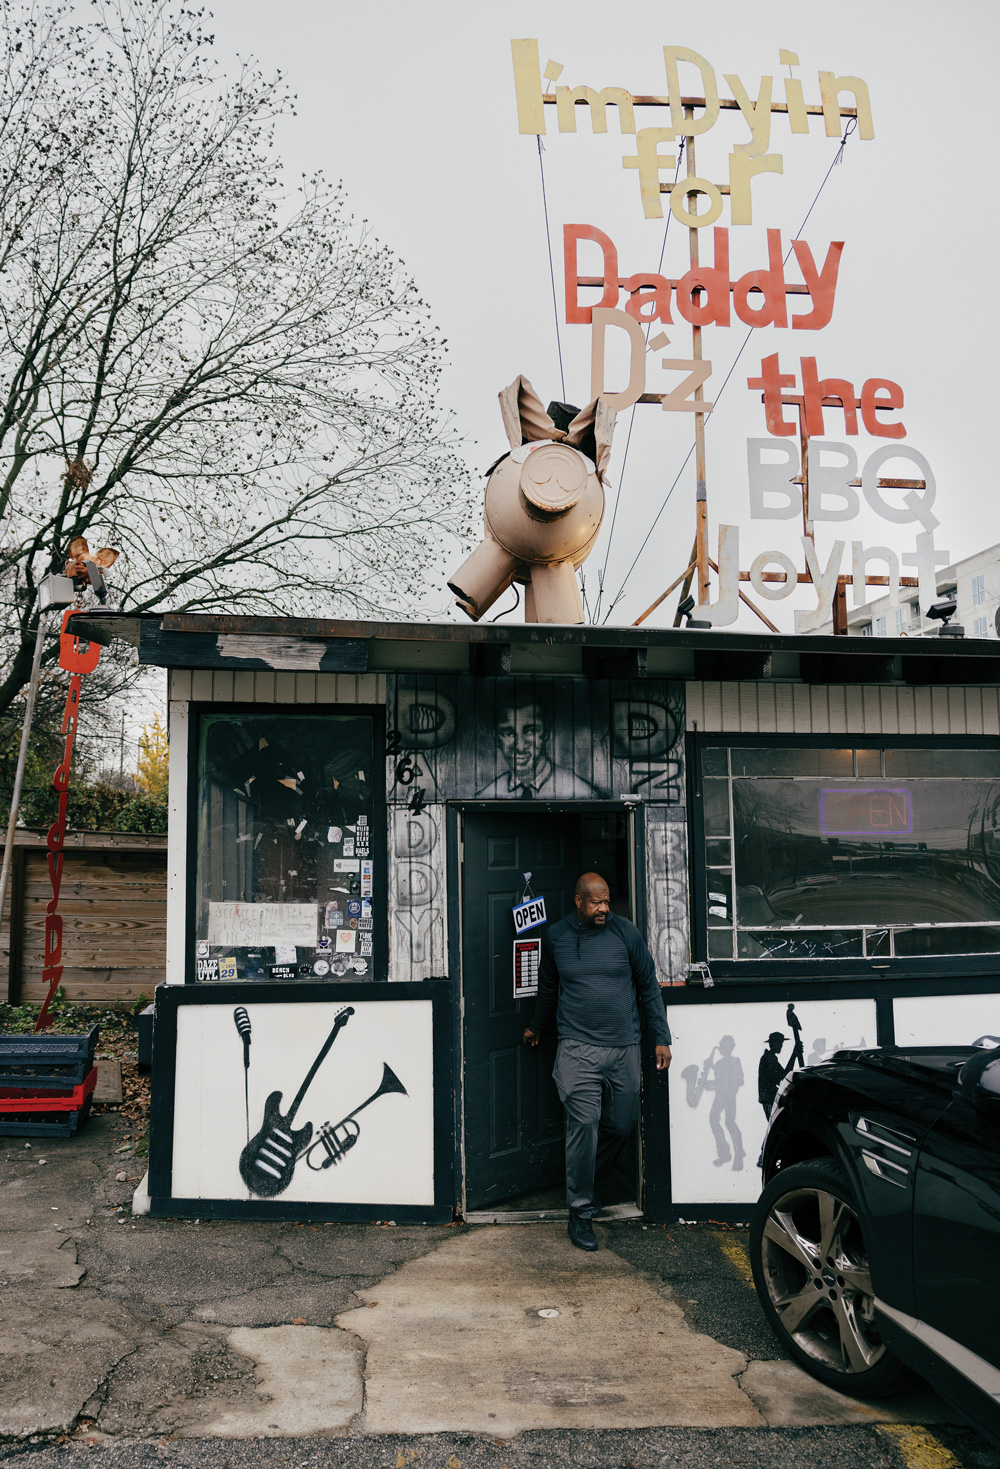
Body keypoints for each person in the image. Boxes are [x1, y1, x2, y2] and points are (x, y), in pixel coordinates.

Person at [522, 872, 671, 1252]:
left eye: (607, 901)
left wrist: (661, 1038)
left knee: (621, 1126)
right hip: (577, 1048)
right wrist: (537, 1025)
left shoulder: (626, 933)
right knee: (583, 1125)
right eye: (596, 902)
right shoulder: (556, 937)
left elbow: (649, 986)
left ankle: (584, 1178)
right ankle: (581, 1211)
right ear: (578, 901)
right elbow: (548, 987)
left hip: (624, 1047)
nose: (604, 908)